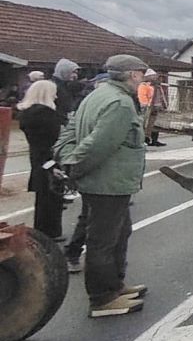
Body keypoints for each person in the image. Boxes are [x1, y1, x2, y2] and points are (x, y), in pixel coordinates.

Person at [55, 55, 149, 317]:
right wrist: (74, 166)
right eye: (141, 74)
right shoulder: (119, 103)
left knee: (120, 233)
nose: (142, 78)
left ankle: (115, 285)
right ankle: (102, 298)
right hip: (108, 182)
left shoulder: (97, 95)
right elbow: (99, 145)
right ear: (132, 75)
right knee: (103, 241)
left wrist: (65, 156)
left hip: (109, 182)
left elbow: (70, 130)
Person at [17, 80, 63, 239]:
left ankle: (44, 230)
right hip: (48, 157)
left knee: (43, 195)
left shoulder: (28, 114)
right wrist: (52, 164)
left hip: (37, 156)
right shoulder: (46, 115)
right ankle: (49, 232)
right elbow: (49, 141)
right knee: (51, 196)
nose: (56, 96)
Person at [138, 69, 168, 147]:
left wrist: (164, 104)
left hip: (155, 106)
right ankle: (146, 139)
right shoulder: (144, 85)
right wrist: (145, 105)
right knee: (146, 124)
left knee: (154, 124)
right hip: (148, 107)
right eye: (153, 76)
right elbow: (143, 96)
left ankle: (153, 140)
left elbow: (161, 95)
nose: (156, 77)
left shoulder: (157, 86)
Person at [52, 58, 80, 124]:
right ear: (64, 71)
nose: (75, 76)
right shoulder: (54, 87)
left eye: (76, 73)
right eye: (73, 72)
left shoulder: (67, 86)